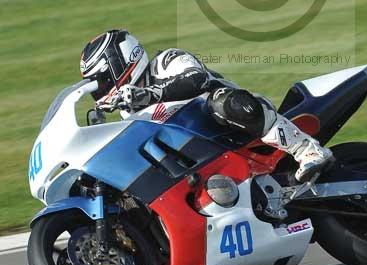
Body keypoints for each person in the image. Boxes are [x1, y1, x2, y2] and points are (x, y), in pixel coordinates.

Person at [80, 29, 333, 183]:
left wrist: (150, 94)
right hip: (204, 159)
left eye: (102, 81)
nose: (101, 91)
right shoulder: (129, 113)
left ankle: (306, 149)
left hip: (239, 125)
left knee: (223, 101)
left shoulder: (167, 61)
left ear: (122, 63)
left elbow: (196, 79)